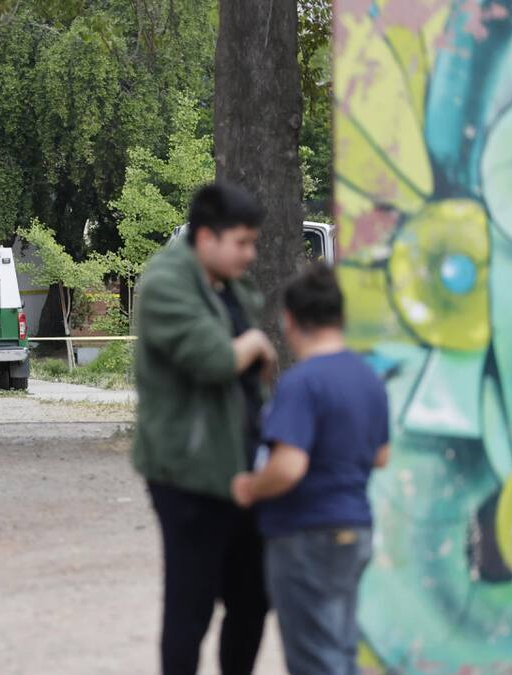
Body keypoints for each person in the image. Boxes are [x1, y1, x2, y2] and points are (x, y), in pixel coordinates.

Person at [132, 183, 278, 675]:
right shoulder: (165, 283)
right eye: (242, 243)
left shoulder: (226, 283)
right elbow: (215, 359)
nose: (250, 254)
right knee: (190, 608)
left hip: (240, 468)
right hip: (188, 474)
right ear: (207, 238)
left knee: (254, 597)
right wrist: (255, 343)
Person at [231, 263, 389, 675]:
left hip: (306, 534)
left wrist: (249, 486)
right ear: (341, 317)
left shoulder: (302, 382)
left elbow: (289, 467)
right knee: (339, 650)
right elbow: (382, 455)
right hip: (356, 530)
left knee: (314, 661)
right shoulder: (368, 377)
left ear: (289, 320)